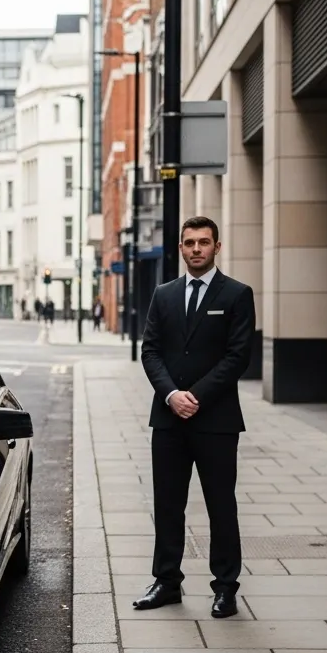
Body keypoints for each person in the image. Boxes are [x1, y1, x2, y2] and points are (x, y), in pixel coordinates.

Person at [135, 216, 256, 619]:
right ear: (181, 248)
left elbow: (238, 357)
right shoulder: (163, 294)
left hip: (216, 421)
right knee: (168, 504)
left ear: (217, 247)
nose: (196, 249)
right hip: (168, 420)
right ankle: (167, 582)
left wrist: (195, 397)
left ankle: (225, 588)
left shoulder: (238, 294)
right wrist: (171, 395)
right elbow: (149, 350)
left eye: (204, 242)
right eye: (189, 243)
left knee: (221, 505)